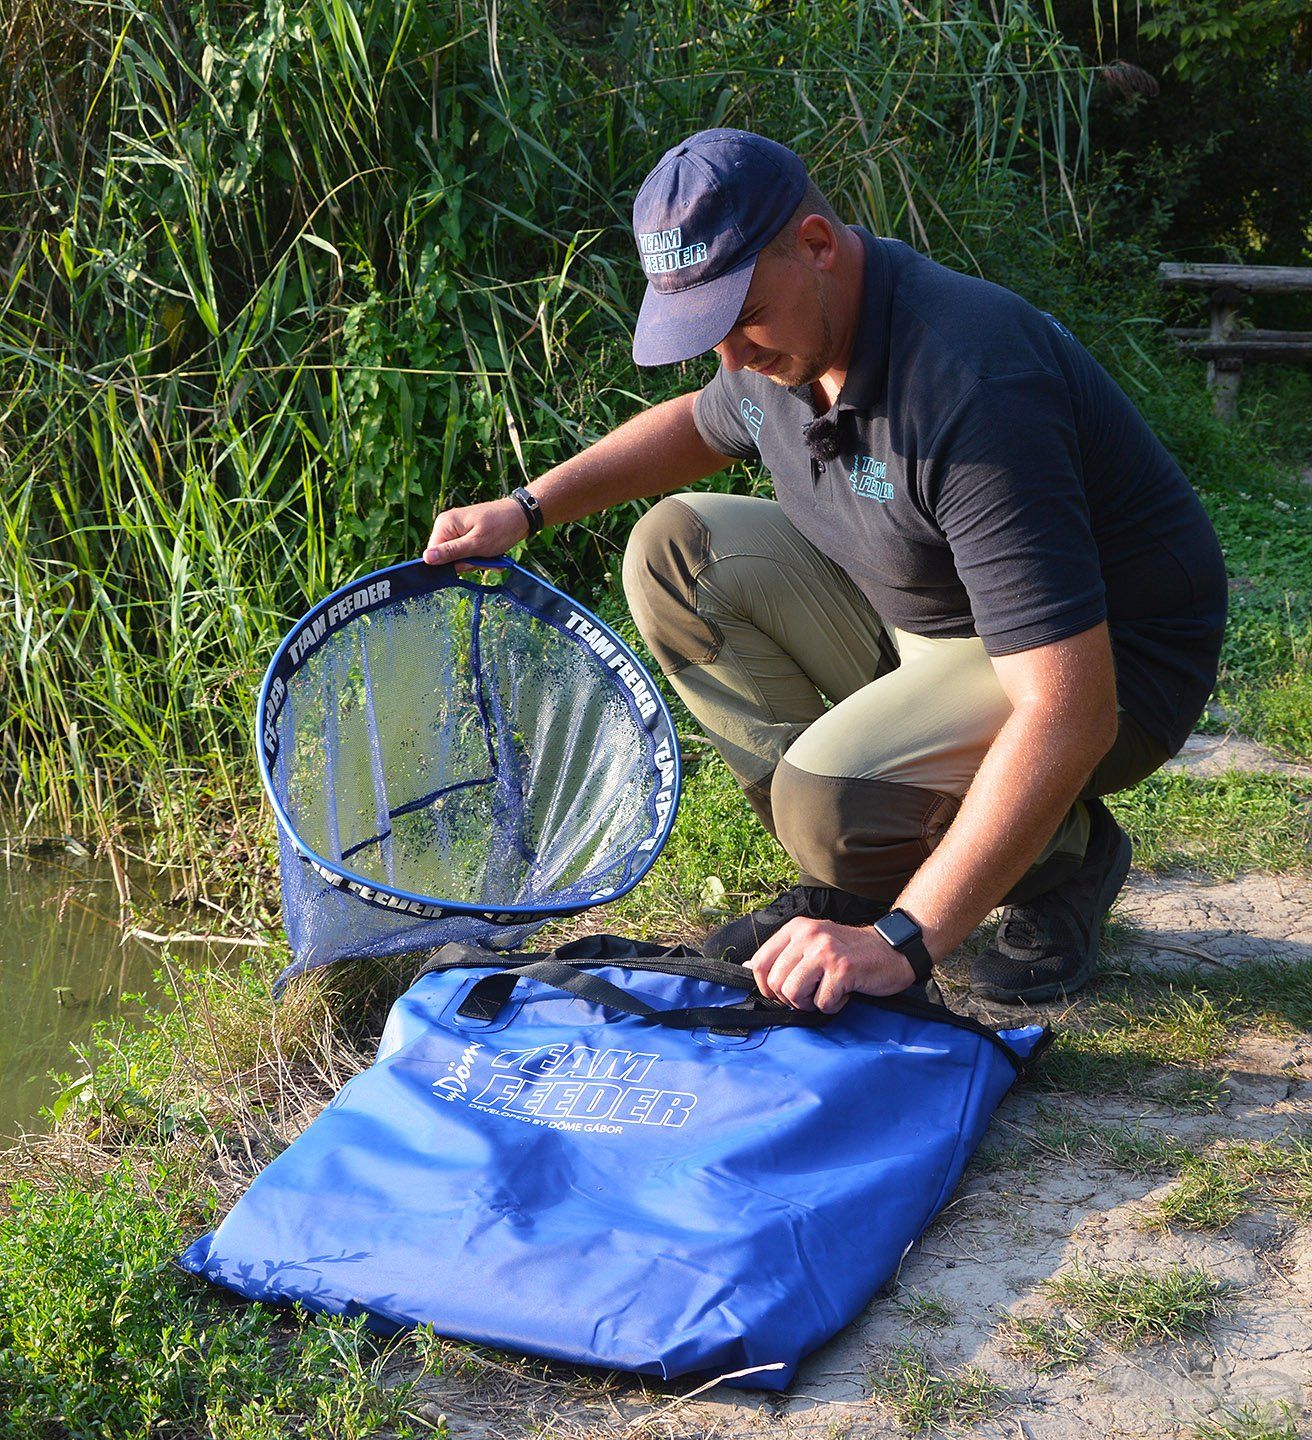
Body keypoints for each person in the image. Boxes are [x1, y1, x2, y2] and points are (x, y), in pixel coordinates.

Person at [422, 128, 1226, 1012]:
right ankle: (863, 861)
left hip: (1107, 669)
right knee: (675, 551)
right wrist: (525, 508)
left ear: (816, 244)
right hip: (937, 618)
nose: (729, 356)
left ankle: (1064, 857)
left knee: (827, 806)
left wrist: (905, 942)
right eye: (706, 328)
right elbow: (701, 421)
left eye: (740, 319)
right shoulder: (788, 336)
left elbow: (1067, 710)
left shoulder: (971, 386)